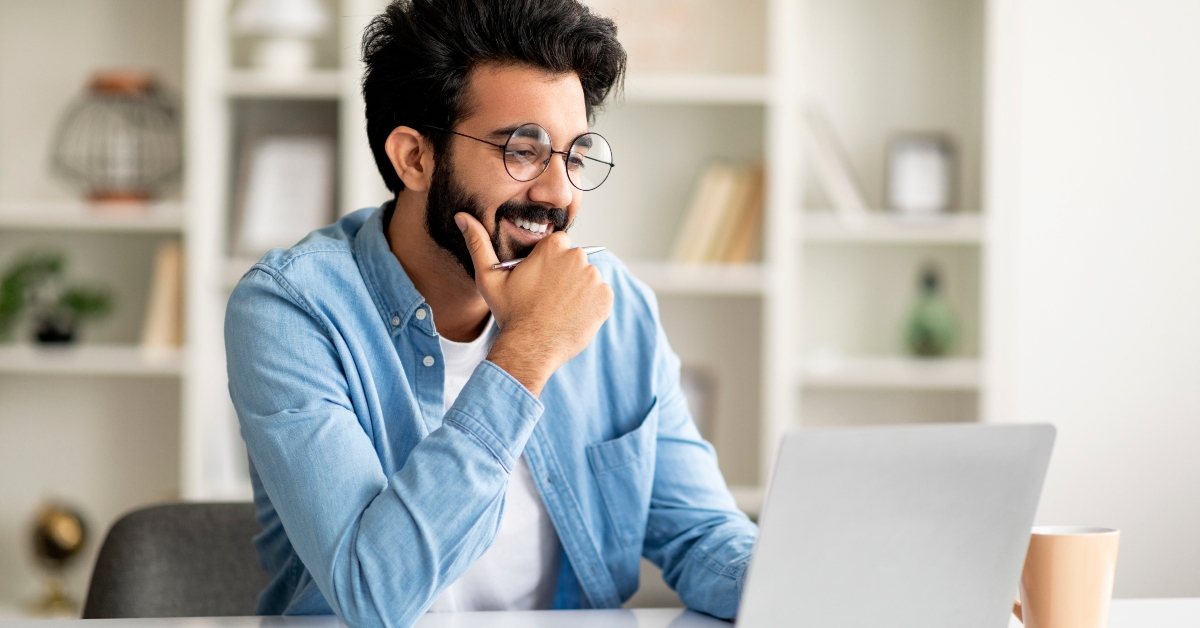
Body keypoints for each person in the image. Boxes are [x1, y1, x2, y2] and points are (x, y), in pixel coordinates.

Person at [224, 1, 757, 626]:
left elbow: (701, 536)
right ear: (415, 158)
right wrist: (527, 352)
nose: (559, 193)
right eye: (523, 151)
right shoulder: (291, 310)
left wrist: (799, 579)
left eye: (574, 156)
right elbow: (374, 594)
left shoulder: (617, 305)